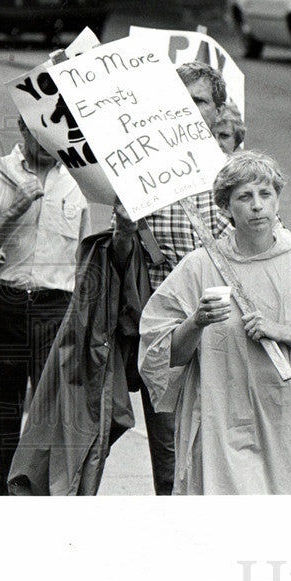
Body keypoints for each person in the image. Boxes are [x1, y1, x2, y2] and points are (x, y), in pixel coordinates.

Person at [138, 152, 291, 494]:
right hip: (223, 422)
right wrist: (196, 322)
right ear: (226, 208)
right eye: (244, 197)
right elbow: (160, 355)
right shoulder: (198, 267)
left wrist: (286, 332)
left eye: (265, 195)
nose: (257, 206)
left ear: (277, 200)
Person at [111, 61, 232, 495]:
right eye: (178, 100)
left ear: (219, 112)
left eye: (198, 101)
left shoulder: (237, 178)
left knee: (226, 457)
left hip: (226, 337)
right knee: (171, 465)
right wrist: (124, 231)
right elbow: (123, 266)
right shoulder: (140, 177)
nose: (187, 109)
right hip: (168, 338)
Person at [0, 117, 89, 494]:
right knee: (1, 406)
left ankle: (38, 494)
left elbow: (82, 256)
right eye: (39, 132)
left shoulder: (78, 183)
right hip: (2, 302)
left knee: (51, 411)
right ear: (23, 129)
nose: (48, 142)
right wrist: (12, 212)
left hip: (55, 306)